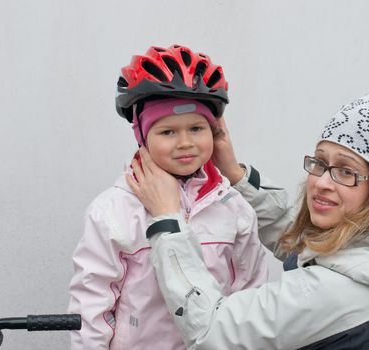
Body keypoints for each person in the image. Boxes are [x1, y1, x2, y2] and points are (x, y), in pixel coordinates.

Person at [132, 90, 369, 349]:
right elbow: (308, 246)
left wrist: (167, 220)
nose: (323, 182)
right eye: (320, 162)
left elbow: (211, 331)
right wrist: (236, 175)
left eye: (346, 171)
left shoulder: (331, 294)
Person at [67, 44, 273, 349]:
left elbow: (251, 293)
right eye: (168, 132)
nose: (185, 143)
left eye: (196, 128)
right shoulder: (113, 210)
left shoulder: (235, 208)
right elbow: (91, 303)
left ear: (215, 132)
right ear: (141, 135)